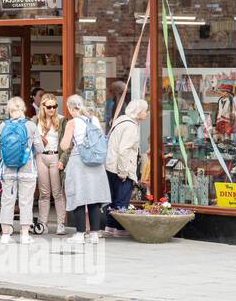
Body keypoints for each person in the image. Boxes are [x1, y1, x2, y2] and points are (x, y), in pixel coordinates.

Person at [60, 94, 111, 244]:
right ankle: (94, 234)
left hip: (79, 161)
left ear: (70, 107)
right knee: (94, 197)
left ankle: (80, 233)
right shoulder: (94, 119)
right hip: (96, 162)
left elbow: (64, 145)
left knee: (79, 196)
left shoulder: (72, 122)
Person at [0, 96, 42, 245]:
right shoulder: (31, 125)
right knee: (26, 202)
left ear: (9, 110)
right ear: (24, 109)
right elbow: (39, 148)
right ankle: (25, 235)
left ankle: (5, 235)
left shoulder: (2, 126)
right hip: (27, 170)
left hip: (8, 171)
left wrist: (9, 155)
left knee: (7, 201)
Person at [104, 98, 149, 236]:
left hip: (110, 165)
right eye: (145, 111)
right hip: (121, 168)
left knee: (112, 199)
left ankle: (110, 227)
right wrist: (123, 172)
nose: (146, 113)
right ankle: (120, 229)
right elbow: (124, 150)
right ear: (138, 112)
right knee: (122, 199)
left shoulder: (120, 120)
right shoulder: (131, 127)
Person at [34, 92, 67, 235]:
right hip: (41, 157)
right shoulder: (35, 121)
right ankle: (43, 223)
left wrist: (62, 160)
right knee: (44, 193)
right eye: (49, 107)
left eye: (54, 106)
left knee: (58, 193)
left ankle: (61, 223)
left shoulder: (62, 120)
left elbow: (67, 144)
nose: (52, 109)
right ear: (43, 107)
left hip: (55, 157)